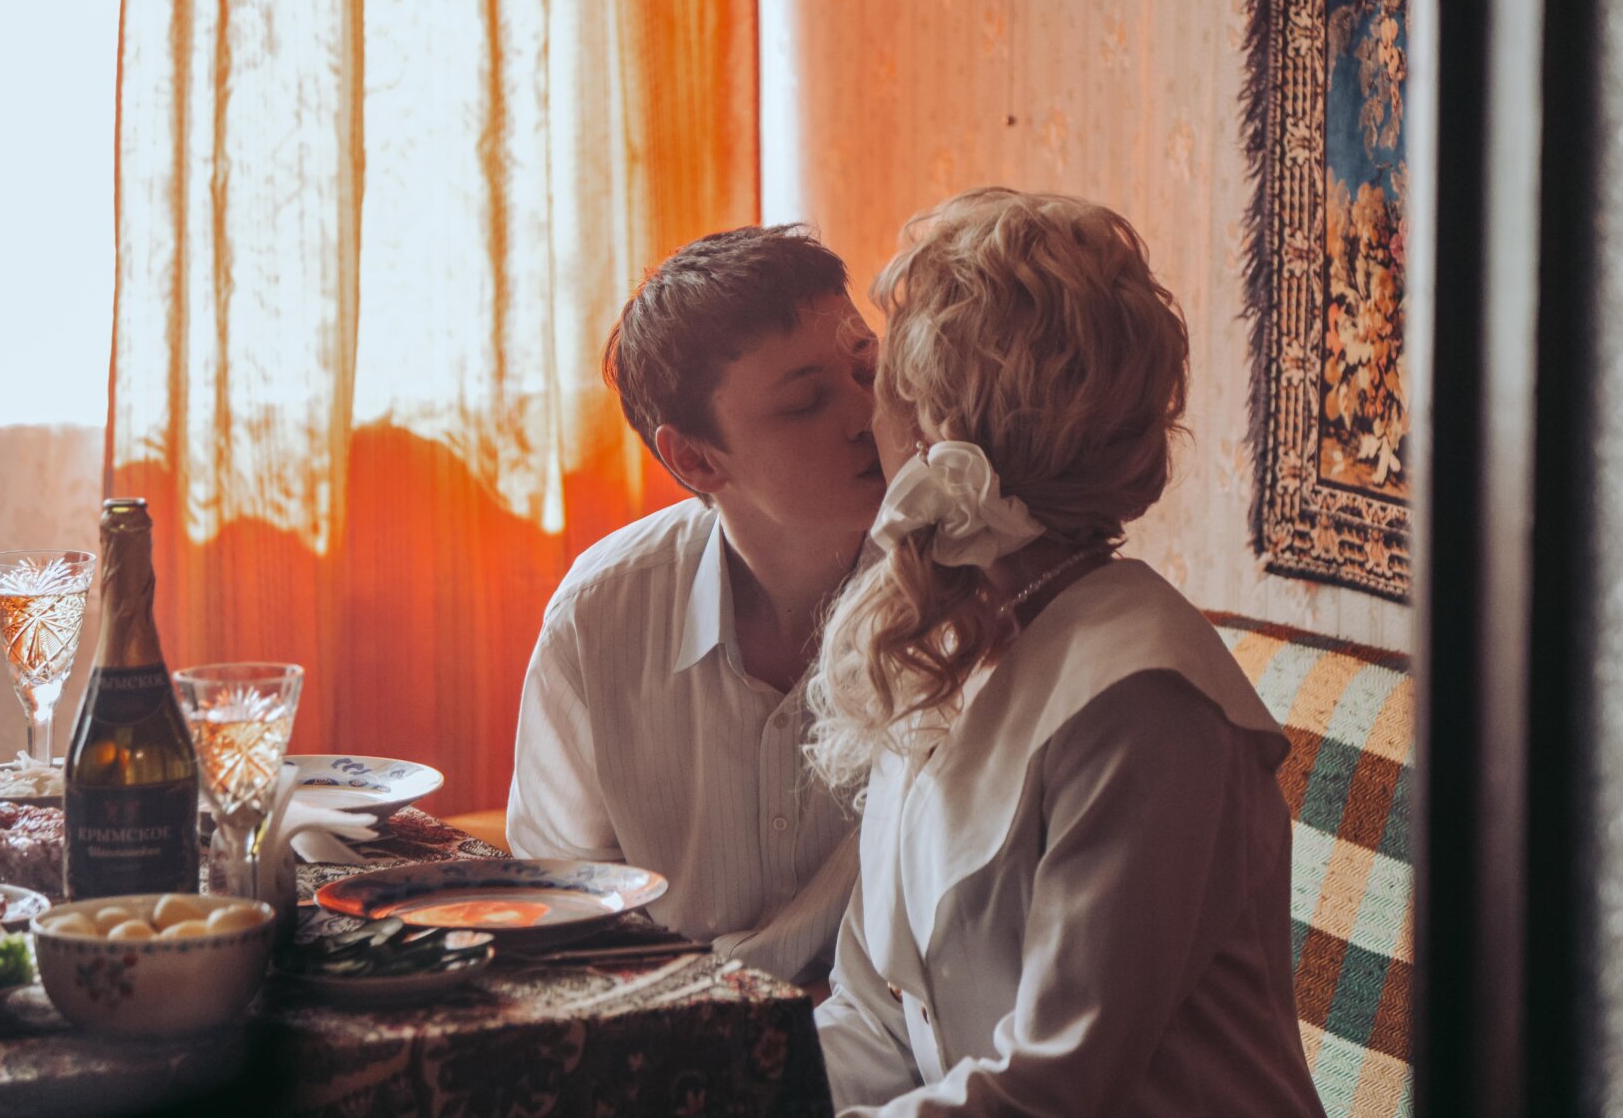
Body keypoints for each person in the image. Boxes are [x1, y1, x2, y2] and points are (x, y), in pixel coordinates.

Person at [808, 189, 1326, 1116]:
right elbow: (879, 1015)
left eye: (884, 374)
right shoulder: (953, 643)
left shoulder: (1144, 705)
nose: (864, 409)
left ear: (940, 436)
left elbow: (1055, 1084)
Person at [506, 224, 882, 983]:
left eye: (868, 368)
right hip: (665, 1025)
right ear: (696, 459)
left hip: (894, 1044)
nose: (867, 413)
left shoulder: (963, 592)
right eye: (806, 402)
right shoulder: (599, 619)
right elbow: (561, 906)